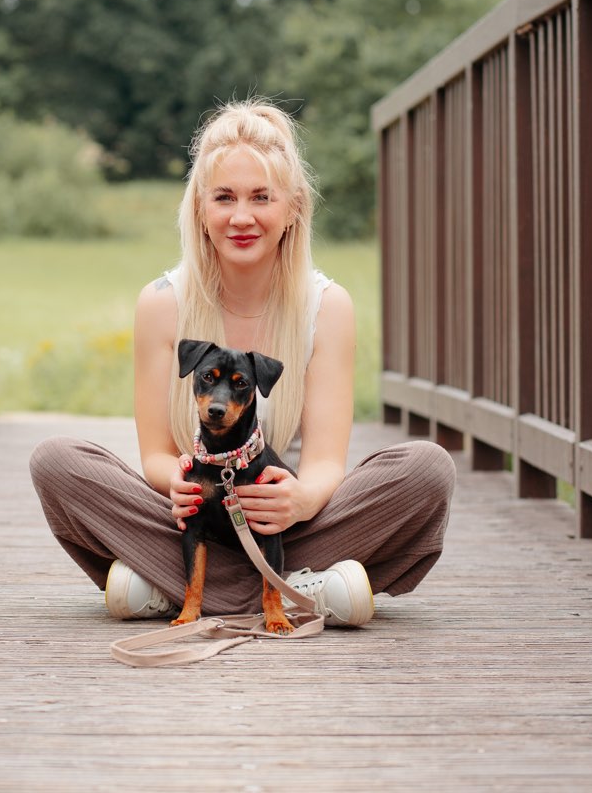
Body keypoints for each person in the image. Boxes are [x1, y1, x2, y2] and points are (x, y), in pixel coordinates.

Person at [29, 98, 455, 627]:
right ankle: (300, 590)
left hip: (288, 529)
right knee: (57, 461)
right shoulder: (162, 303)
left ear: (293, 207)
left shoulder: (328, 307)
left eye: (261, 197)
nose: (241, 217)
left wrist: (300, 501)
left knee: (426, 469)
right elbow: (156, 456)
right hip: (190, 522)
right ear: (200, 209)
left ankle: (171, 587)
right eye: (224, 197)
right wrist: (175, 483)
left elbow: (325, 464)